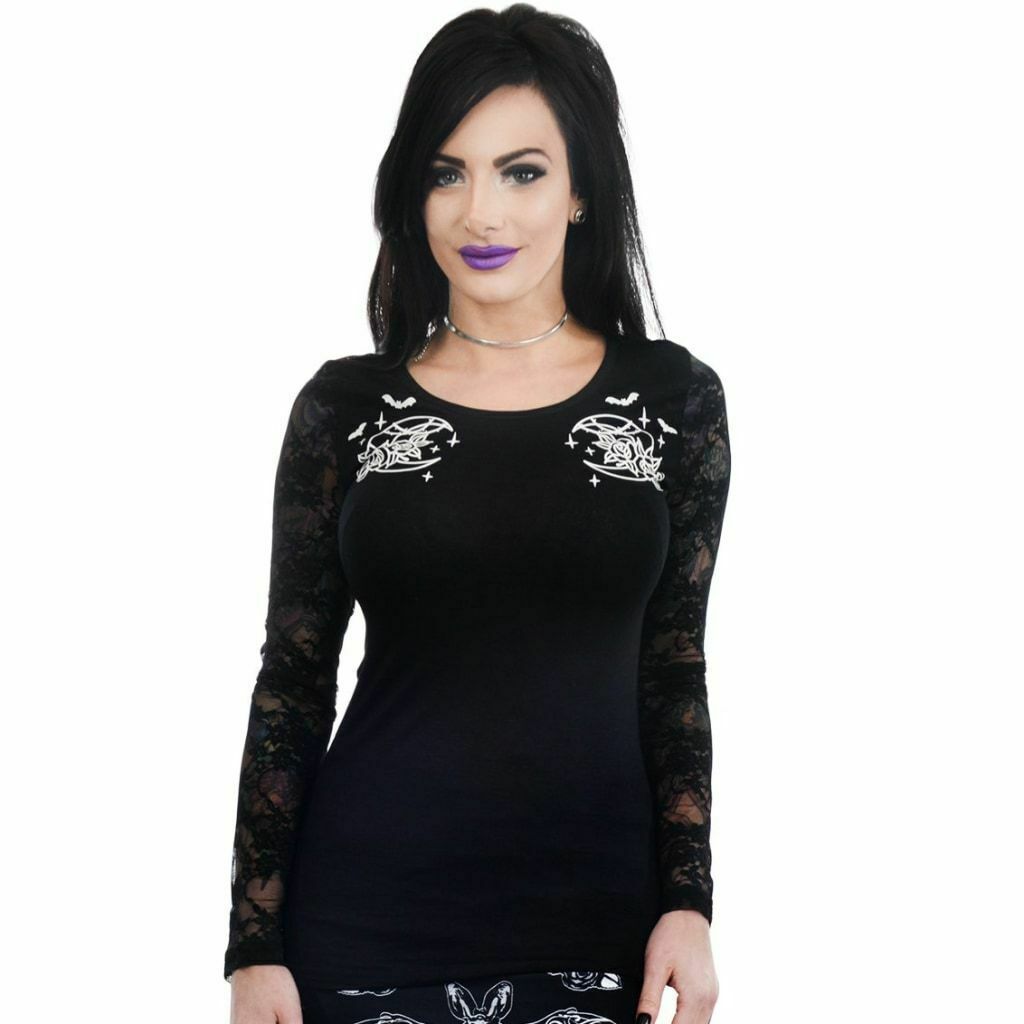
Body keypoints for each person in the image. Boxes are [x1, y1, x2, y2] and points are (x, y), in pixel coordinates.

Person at [224, 6, 731, 1024]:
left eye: (522, 171)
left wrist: (689, 903)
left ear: (583, 191)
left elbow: (672, 665)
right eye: (446, 173)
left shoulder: (673, 401)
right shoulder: (345, 407)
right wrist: (253, 946)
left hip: (597, 929)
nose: (479, 213)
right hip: (364, 925)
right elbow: (293, 679)